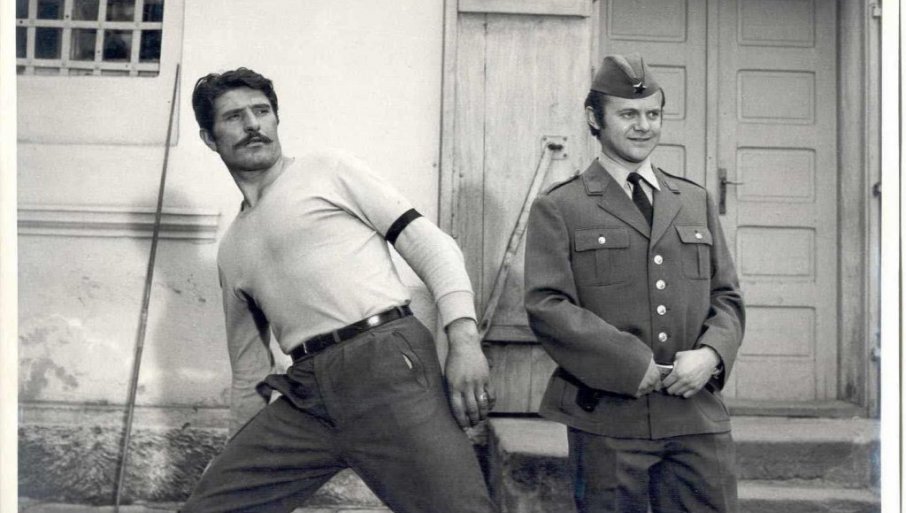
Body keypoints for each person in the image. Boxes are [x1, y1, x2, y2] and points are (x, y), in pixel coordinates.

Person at [182, 67, 498, 513]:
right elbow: (249, 370)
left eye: (262, 111)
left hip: (387, 367)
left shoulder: (326, 170)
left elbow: (432, 245)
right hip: (306, 394)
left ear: (276, 119)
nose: (253, 124)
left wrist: (464, 339)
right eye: (234, 117)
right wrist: (236, 459)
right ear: (209, 138)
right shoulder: (232, 249)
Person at [524, 54, 745, 513]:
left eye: (653, 114)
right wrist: (628, 362)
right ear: (595, 118)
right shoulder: (561, 206)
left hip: (695, 413)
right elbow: (548, 305)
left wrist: (710, 355)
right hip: (608, 417)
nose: (643, 126)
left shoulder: (694, 200)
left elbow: (726, 296)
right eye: (628, 114)